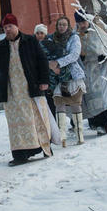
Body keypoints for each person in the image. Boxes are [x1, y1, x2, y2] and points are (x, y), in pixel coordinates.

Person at [0, 13, 52, 166]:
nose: (8, 30)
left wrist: (44, 80)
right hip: (11, 90)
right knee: (15, 124)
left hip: (29, 87)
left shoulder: (30, 40)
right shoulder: (0, 46)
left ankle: (40, 148)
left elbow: (42, 60)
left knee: (34, 119)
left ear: (16, 26)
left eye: (10, 26)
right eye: (5, 28)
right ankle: (20, 155)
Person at [40, 16, 86, 146]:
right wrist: (51, 65)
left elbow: (74, 55)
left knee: (75, 103)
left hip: (72, 74)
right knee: (59, 103)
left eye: (64, 24)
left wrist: (58, 63)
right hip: (57, 76)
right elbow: (47, 54)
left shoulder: (74, 37)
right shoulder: (51, 38)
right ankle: (62, 136)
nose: (61, 27)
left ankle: (80, 134)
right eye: (60, 24)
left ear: (68, 26)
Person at [77, 13, 107, 135]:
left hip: (99, 69)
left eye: (83, 22)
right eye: (79, 23)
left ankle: (104, 123)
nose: (82, 25)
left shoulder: (96, 32)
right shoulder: (76, 35)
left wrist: (101, 56)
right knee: (89, 98)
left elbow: (106, 47)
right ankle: (95, 122)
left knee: (101, 98)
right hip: (85, 70)